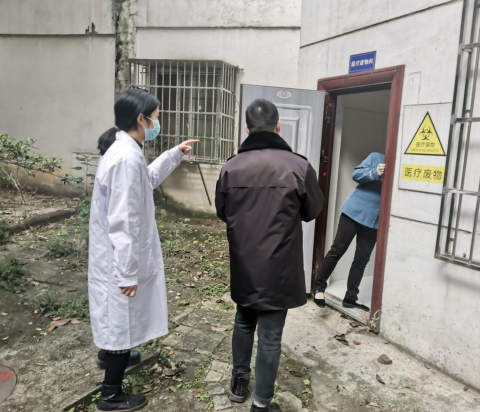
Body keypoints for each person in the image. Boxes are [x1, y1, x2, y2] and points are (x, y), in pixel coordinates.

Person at [88, 88, 199, 412]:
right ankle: (110, 395)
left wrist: (174, 154)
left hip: (115, 252)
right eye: (156, 117)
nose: (157, 123)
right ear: (141, 119)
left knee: (117, 316)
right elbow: (123, 221)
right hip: (118, 255)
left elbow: (147, 179)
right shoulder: (125, 158)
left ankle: (111, 352)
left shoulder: (126, 149)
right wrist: (126, 273)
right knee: (120, 316)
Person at [215, 99, 324, 412]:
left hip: (245, 262)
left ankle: (239, 382)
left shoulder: (230, 167)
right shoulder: (299, 166)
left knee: (244, 320)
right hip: (280, 267)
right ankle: (261, 404)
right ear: (278, 126)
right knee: (271, 335)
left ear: (246, 128)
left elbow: (222, 212)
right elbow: (312, 211)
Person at [313, 152, 386, 312]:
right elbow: (356, 174)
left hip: (374, 220)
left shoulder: (400, 169)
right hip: (353, 212)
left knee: (362, 259)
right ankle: (319, 287)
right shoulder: (376, 157)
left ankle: (351, 297)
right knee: (337, 249)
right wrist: (375, 172)